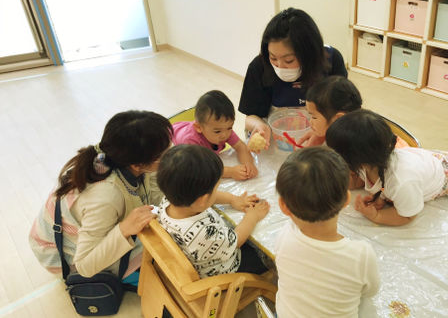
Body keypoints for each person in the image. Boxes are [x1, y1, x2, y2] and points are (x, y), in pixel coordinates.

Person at [29, 110, 172, 284]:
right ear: (138, 164)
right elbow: (85, 265)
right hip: (63, 256)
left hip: (91, 228)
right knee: (165, 264)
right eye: (164, 155)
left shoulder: (121, 156)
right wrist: (124, 229)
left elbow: (154, 193)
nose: (171, 157)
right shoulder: (106, 196)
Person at [275, 147, 380, 317]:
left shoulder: (285, 234)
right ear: (347, 199)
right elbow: (370, 291)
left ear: (283, 206)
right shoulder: (361, 254)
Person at [326, 109, 448, 226]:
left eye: (336, 153)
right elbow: (380, 184)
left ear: (357, 159)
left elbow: (408, 215)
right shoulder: (371, 162)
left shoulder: (402, 181)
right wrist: (381, 196)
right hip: (429, 161)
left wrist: (377, 216)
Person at [238, 7, 348, 149]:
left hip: (321, 139)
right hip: (276, 140)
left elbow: (343, 115)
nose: (279, 66)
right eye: (273, 58)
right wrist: (259, 126)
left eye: (289, 60)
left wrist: (321, 134)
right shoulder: (260, 66)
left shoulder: (330, 61)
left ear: (309, 54)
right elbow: (251, 117)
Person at [157, 144, 270, 278]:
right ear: (202, 200)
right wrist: (253, 216)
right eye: (215, 188)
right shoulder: (204, 234)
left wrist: (232, 199)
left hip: (208, 250)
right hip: (227, 268)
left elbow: (208, 198)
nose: (216, 192)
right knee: (267, 254)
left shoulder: (171, 199)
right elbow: (236, 241)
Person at [299, 75, 410, 149]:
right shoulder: (350, 124)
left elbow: (350, 181)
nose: (310, 122)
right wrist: (319, 135)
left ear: (338, 119)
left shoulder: (355, 144)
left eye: (314, 117)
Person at [172, 90, 258, 180]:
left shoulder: (222, 128)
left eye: (230, 128)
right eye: (217, 131)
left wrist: (248, 164)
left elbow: (240, 146)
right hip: (173, 139)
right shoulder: (190, 142)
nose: (225, 135)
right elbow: (201, 169)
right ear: (199, 127)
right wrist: (231, 172)